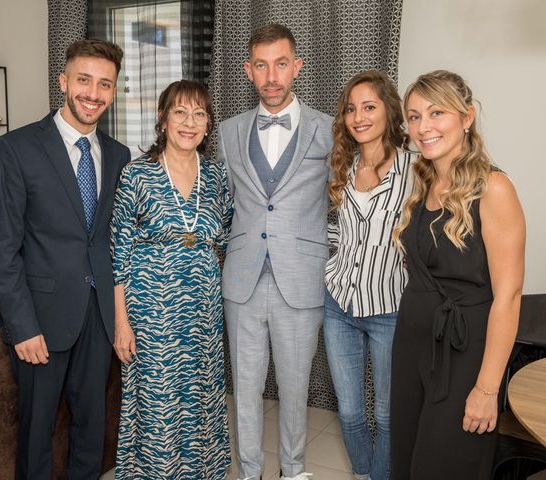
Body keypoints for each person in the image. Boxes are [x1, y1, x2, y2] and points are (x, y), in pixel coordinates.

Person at [0, 39, 130, 479]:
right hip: (40, 321)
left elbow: (111, 241)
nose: (93, 93)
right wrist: (22, 326)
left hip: (98, 317)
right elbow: (2, 246)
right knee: (37, 432)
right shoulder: (16, 149)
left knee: (91, 428)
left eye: (105, 84)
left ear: (114, 91)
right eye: (84, 80)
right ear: (63, 81)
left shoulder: (120, 155)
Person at [390, 70, 525, 479]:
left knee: (444, 467)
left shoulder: (494, 188)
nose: (423, 127)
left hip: (465, 354)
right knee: (407, 462)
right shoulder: (424, 181)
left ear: (466, 117)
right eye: (413, 117)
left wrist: (486, 389)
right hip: (412, 343)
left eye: (436, 113)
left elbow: (510, 295)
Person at [217, 24, 333, 480]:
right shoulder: (227, 132)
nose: (271, 75)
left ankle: (294, 469)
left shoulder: (329, 129)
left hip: (301, 279)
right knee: (244, 389)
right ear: (248, 70)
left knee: (294, 387)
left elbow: (343, 199)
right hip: (242, 281)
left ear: (296, 66)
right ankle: (249, 471)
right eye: (261, 65)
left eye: (281, 64)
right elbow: (221, 203)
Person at [111, 79, 232, 479]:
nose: (189, 122)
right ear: (162, 119)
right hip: (151, 311)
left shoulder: (215, 174)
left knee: (199, 395)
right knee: (159, 402)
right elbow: (118, 253)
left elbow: (229, 234)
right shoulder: (137, 175)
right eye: (180, 112)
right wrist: (121, 322)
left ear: (208, 123)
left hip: (202, 308)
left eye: (199, 113)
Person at [324, 70, 414, 480]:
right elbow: (333, 231)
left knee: (388, 412)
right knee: (349, 409)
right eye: (351, 109)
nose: (358, 117)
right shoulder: (343, 166)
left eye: (369, 107)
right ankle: (363, 472)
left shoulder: (416, 169)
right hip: (339, 302)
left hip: (390, 308)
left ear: (389, 111)